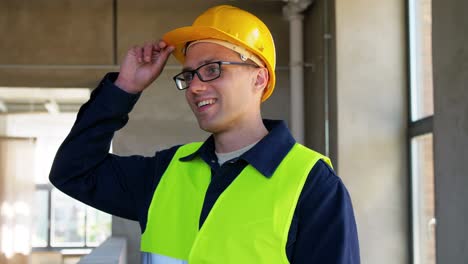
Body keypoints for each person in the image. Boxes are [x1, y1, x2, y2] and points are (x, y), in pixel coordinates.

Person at [50, 4, 360, 264]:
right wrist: (124, 89)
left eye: (213, 69)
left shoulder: (312, 185)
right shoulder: (166, 173)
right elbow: (73, 171)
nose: (196, 86)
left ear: (260, 78)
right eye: (189, 74)